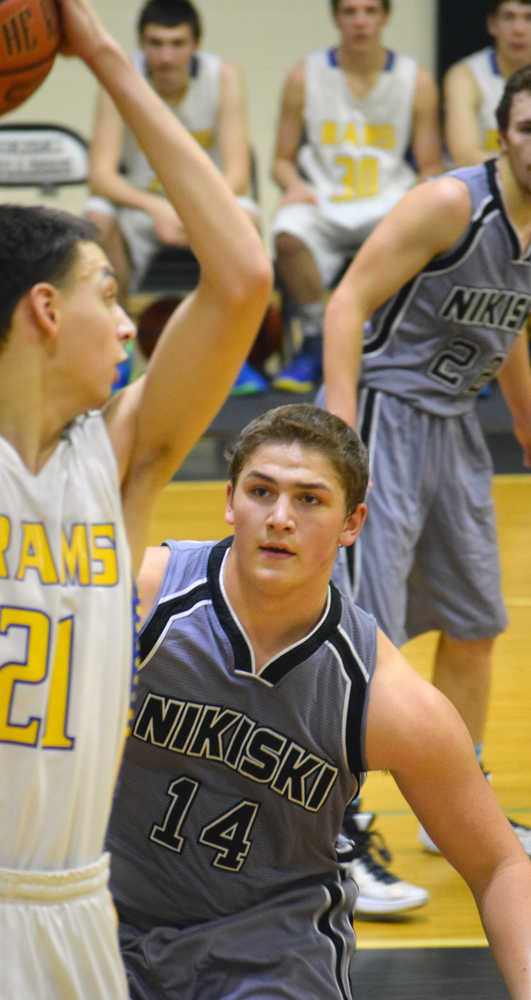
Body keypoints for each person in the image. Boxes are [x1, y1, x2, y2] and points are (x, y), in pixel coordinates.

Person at [0, 0, 272, 995]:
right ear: (43, 308)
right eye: (105, 294)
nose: (130, 326)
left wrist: (102, 58)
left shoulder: (122, 459)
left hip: (77, 906)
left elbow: (243, 273)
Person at [104, 402, 531, 1000]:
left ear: (352, 523)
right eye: (261, 491)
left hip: (269, 955)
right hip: (103, 925)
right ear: (230, 501)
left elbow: (501, 866)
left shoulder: (383, 695)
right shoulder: (142, 602)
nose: (280, 517)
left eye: (309, 499)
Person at [320, 63, 531, 896]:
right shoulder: (451, 203)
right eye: (526, 126)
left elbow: (511, 321)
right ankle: (335, 830)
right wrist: (339, 436)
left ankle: (457, 809)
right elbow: (345, 303)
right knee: (362, 631)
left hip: (454, 427)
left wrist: (523, 419)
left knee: (475, 623)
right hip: (383, 412)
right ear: (503, 132)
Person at [84, 0, 266, 394]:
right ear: (141, 43)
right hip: (141, 208)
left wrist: (191, 211)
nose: (166, 55)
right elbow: (100, 176)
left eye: (176, 43)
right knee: (96, 217)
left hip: (203, 205)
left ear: (195, 45)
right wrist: (156, 208)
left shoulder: (224, 77)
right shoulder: (120, 77)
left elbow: (237, 175)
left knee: (247, 216)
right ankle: (119, 350)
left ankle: (234, 356)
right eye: (156, 43)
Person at [269, 0, 443, 393]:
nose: (360, 22)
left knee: (423, 231)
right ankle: (315, 339)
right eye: (350, 11)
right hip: (322, 200)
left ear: (385, 17)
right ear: (336, 18)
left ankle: (389, 342)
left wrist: (420, 199)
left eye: (369, 11)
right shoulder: (304, 76)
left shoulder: (415, 80)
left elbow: (430, 165)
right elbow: (281, 160)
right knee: (287, 233)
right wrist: (294, 185)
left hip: (387, 199)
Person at [443, 0, 531, 167]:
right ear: (492, 24)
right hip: (481, 183)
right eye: (508, 17)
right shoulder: (465, 75)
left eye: (529, 18)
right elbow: (465, 155)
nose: (518, 30)